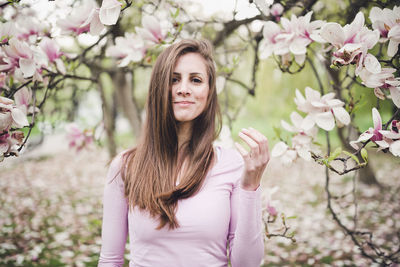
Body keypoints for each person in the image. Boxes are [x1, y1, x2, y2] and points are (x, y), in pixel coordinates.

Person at [98, 39, 270, 267]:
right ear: (159, 88)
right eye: (174, 79)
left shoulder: (232, 165)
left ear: (209, 92)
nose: (183, 89)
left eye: (196, 80)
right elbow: (110, 260)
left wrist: (250, 187)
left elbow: (247, 264)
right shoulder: (125, 166)